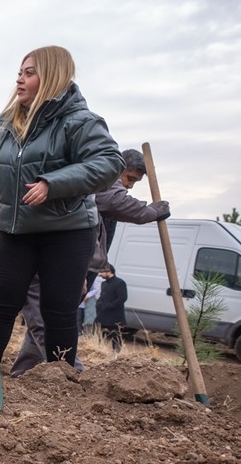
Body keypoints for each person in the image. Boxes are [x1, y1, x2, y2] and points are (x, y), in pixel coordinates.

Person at [0, 45, 123, 368]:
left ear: (52, 77)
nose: (20, 80)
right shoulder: (6, 129)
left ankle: (61, 380)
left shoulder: (79, 122)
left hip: (66, 231)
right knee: (1, 304)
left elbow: (110, 162)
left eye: (29, 73)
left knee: (58, 309)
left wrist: (52, 183)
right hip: (16, 229)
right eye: (19, 73)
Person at [10, 148, 170, 375]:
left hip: (79, 264)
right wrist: (152, 211)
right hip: (60, 262)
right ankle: (73, 374)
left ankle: (23, 371)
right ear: (118, 169)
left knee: (45, 321)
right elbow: (114, 202)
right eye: (129, 178)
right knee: (48, 322)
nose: (129, 185)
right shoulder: (102, 181)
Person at [94, 264, 128, 351]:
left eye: (102, 272)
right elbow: (103, 296)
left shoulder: (120, 283)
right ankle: (98, 349)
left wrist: (109, 306)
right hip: (103, 313)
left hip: (114, 315)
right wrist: (99, 304)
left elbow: (122, 298)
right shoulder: (104, 283)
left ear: (109, 272)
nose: (100, 274)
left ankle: (116, 353)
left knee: (115, 334)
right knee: (96, 329)